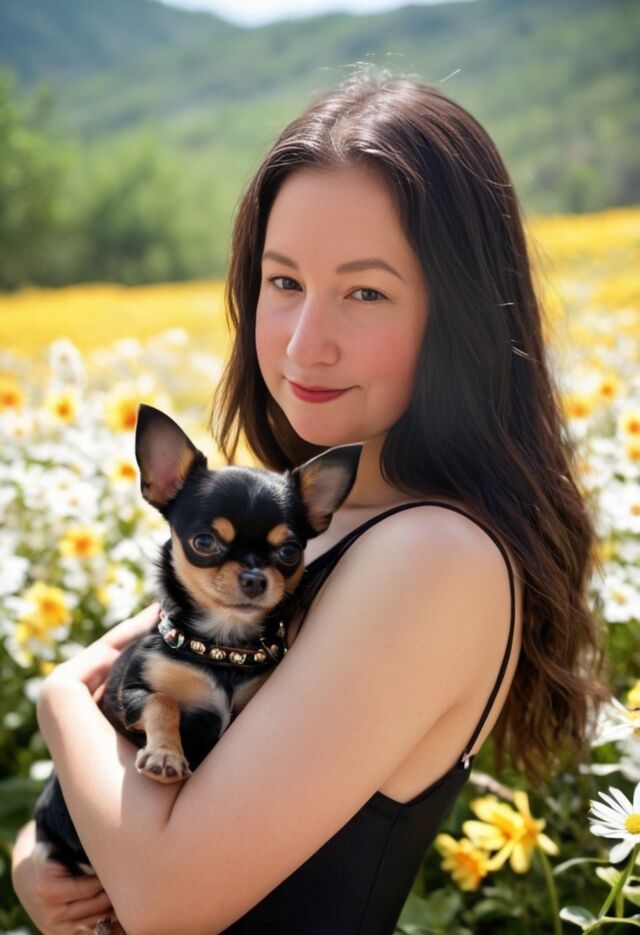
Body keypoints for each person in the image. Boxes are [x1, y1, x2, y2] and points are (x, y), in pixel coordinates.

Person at [12, 68, 611, 935]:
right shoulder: (305, 523)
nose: (304, 343)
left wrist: (58, 698)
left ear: (460, 318)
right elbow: (129, 745)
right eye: (283, 282)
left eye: (365, 292)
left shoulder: (433, 558)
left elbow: (169, 900)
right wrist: (41, 851)